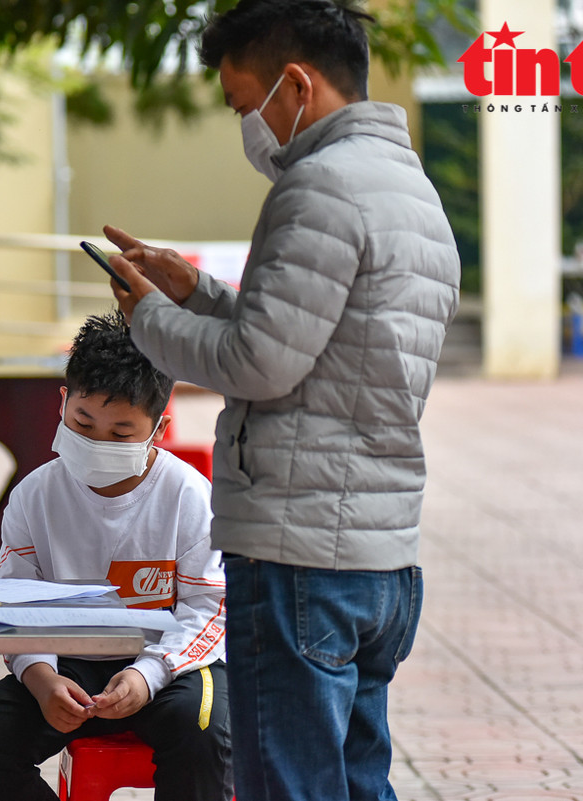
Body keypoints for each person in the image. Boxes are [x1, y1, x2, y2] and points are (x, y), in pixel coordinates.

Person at [100, 2, 461, 799]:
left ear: (295, 85)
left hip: (299, 553)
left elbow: (259, 361)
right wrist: (194, 290)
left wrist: (148, 319)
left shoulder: (319, 187)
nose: (247, 127)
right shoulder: (411, 190)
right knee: (358, 782)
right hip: (378, 554)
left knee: (288, 787)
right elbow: (318, 344)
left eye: (243, 103)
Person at [0, 310, 232, 801]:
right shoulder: (34, 495)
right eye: (83, 422)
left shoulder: (187, 495)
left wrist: (148, 675)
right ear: (63, 402)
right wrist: (41, 678)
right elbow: (14, 604)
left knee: (202, 731)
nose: (98, 442)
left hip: (170, 663)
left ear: (159, 429)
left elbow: (209, 608)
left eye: (121, 434)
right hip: (67, 666)